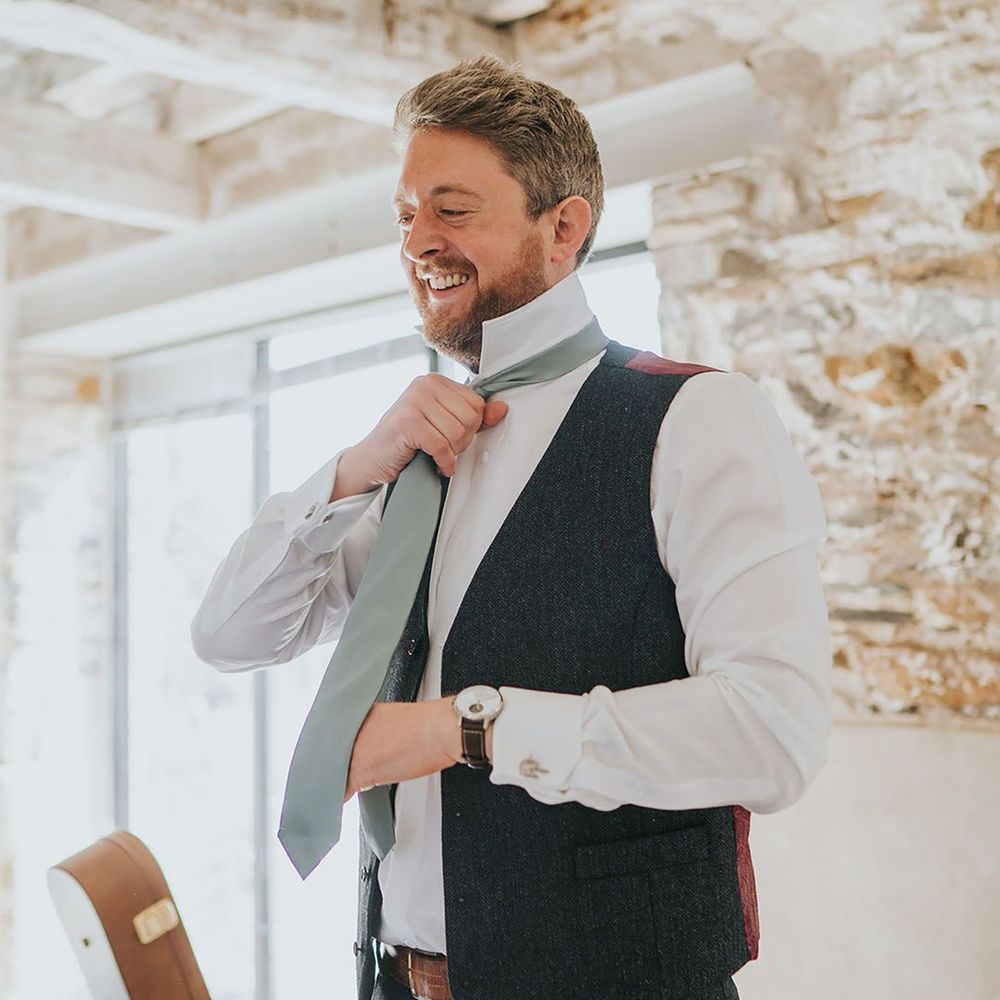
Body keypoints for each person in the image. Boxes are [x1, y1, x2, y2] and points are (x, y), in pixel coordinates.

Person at [191, 53, 832, 1000]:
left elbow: (774, 734)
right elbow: (229, 635)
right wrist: (350, 472)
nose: (418, 242)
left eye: (452, 210)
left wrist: (468, 728)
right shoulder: (415, 460)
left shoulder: (695, 418)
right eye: (405, 216)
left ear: (563, 226)